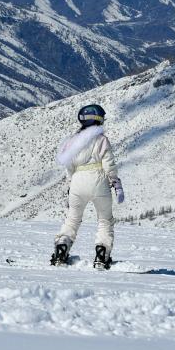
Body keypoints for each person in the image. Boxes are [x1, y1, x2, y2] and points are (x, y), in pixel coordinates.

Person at [52, 104, 123, 269]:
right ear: (98, 119)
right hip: (98, 180)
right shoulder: (101, 139)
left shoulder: (73, 141)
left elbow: (69, 168)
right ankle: (101, 255)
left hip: (77, 181)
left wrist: (70, 187)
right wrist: (116, 183)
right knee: (105, 220)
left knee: (72, 219)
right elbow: (109, 164)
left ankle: (61, 249)